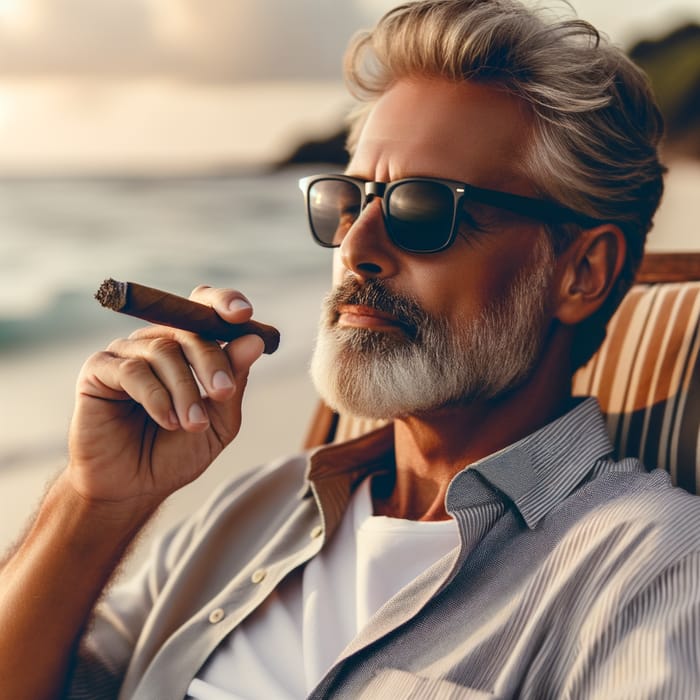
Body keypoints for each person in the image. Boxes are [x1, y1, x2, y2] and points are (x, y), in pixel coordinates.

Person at [1, 0, 699, 698]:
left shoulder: (652, 572)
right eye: (349, 202)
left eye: (423, 208)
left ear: (581, 273)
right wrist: (94, 502)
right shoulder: (256, 509)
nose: (356, 248)